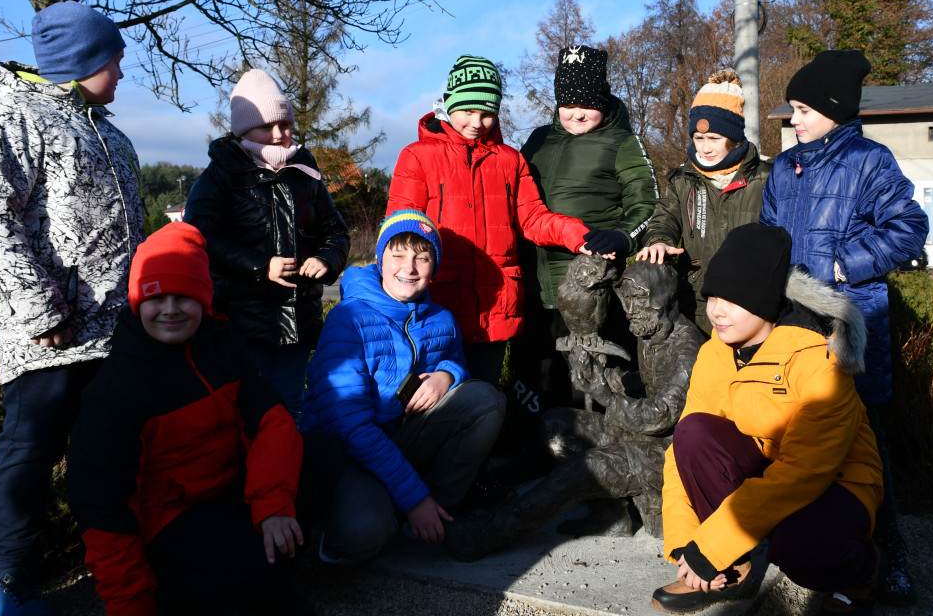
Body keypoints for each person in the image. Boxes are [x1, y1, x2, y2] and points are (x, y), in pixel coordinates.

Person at [0, 1, 145, 616]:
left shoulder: (107, 130)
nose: (120, 69)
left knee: (110, 457)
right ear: (81, 60)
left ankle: (113, 561)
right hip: (49, 340)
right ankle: (14, 582)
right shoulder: (15, 116)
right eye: (113, 58)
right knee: (28, 460)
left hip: (113, 338)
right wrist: (41, 313)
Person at [68, 223, 325, 616]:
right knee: (260, 574)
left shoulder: (220, 342)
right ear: (137, 301)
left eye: (184, 297)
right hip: (171, 515)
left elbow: (270, 417)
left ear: (204, 300)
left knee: (324, 452)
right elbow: (101, 504)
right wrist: (131, 608)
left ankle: (265, 553)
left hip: (228, 485)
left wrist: (274, 504)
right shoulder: (117, 387)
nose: (170, 309)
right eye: (156, 297)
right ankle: (189, 586)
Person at [759, 49, 929, 605]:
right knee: (793, 436)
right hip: (792, 326)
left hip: (848, 325)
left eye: (804, 109)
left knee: (864, 447)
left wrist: (841, 266)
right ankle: (811, 544)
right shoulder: (786, 166)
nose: (795, 119)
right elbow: (768, 234)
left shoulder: (870, 161)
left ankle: (891, 555)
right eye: (793, 109)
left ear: (835, 109)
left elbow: (908, 227)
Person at [654, 223, 883, 616]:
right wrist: (689, 541)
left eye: (732, 299)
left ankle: (860, 574)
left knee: (797, 549)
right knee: (693, 433)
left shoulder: (819, 360)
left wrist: (711, 544)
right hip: (768, 466)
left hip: (835, 480)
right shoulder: (716, 352)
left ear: (764, 300)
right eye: (712, 297)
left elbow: (804, 472)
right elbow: (683, 452)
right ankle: (730, 569)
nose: (716, 311)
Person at [384, 54, 627, 386]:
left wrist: (580, 235)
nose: (476, 122)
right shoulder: (417, 157)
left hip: (495, 304)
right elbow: (399, 233)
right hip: (437, 306)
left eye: (487, 114)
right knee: (432, 401)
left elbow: (534, 218)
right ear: (448, 104)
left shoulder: (510, 160)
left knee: (485, 396)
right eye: (468, 111)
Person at [444, 260, 704, 562]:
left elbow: (660, 414)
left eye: (640, 303)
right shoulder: (652, 331)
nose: (631, 311)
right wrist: (601, 376)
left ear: (665, 301)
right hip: (642, 435)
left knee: (581, 471)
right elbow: (646, 384)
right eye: (627, 302)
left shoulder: (689, 350)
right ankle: (611, 517)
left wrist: (604, 394)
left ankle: (488, 533)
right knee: (557, 427)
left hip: (667, 455)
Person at [300, 211, 507, 563]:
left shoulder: (442, 318)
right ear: (380, 259)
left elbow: (458, 364)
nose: (409, 268)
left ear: (434, 266)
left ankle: (435, 511)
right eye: (398, 255)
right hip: (349, 453)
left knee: (486, 400)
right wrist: (414, 498)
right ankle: (386, 509)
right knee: (358, 537)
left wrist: (448, 375)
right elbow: (348, 426)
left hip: (405, 437)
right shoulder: (348, 318)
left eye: (422, 258)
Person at [184, 68, 350, 414]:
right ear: (244, 128)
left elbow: (336, 232)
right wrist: (260, 267)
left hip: (299, 320)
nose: (279, 134)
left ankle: (285, 468)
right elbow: (201, 237)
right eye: (267, 126)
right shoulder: (220, 174)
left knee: (290, 403)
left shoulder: (306, 172)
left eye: (286, 124)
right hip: (241, 322)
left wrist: (326, 259)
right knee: (244, 408)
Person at [513, 44, 658, 410]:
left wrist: (623, 236)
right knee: (539, 380)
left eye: (587, 105)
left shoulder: (622, 142)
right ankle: (536, 453)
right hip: (535, 289)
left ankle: (592, 456)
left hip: (592, 292)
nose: (576, 114)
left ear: (604, 100)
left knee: (587, 387)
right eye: (568, 104)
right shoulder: (537, 140)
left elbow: (647, 203)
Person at [637, 69, 771, 336]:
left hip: (751, 304)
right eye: (698, 138)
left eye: (714, 139)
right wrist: (658, 240)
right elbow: (664, 219)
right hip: (698, 303)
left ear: (734, 140)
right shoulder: (682, 179)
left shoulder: (767, 177)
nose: (705, 148)